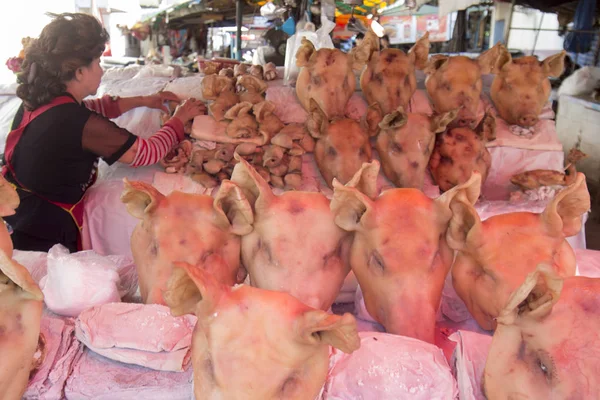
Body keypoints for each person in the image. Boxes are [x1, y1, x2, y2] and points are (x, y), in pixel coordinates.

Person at [4, 13, 206, 253]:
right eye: (98, 63)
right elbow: (145, 152)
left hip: (19, 212)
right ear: (79, 72)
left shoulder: (43, 101)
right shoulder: (73, 121)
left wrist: (145, 100)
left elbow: (94, 108)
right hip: (43, 230)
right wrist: (179, 120)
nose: (101, 70)